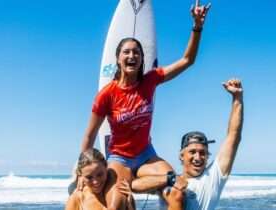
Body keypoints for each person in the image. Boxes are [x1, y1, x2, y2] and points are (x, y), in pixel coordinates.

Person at [79, 1, 211, 210]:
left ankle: (144, 183)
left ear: (142, 59)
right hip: (119, 158)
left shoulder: (151, 80)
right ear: (118, 59)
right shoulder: (106, 95)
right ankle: (143, 182)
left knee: (178, 191)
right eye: (127, 52)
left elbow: (187, 60)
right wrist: (80, 171)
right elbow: (89, 135)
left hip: (146, 155)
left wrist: (197, 27)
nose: (132, 56)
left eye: (136, 53)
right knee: (117, 204)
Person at [169, 78, 244, 210]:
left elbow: (234, 136)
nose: (198, 157)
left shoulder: (213, 178)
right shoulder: (168, 182)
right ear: (181, 155)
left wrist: (237, 98)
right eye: (192, 152)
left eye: (202, 153)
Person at [66, 148, 135, 210]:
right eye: (89, 177)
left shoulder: (118, 191)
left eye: (99, 175)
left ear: (106, 168)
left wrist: (129, 204)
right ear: (81, 175)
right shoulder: (77, 199)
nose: (95, 182)